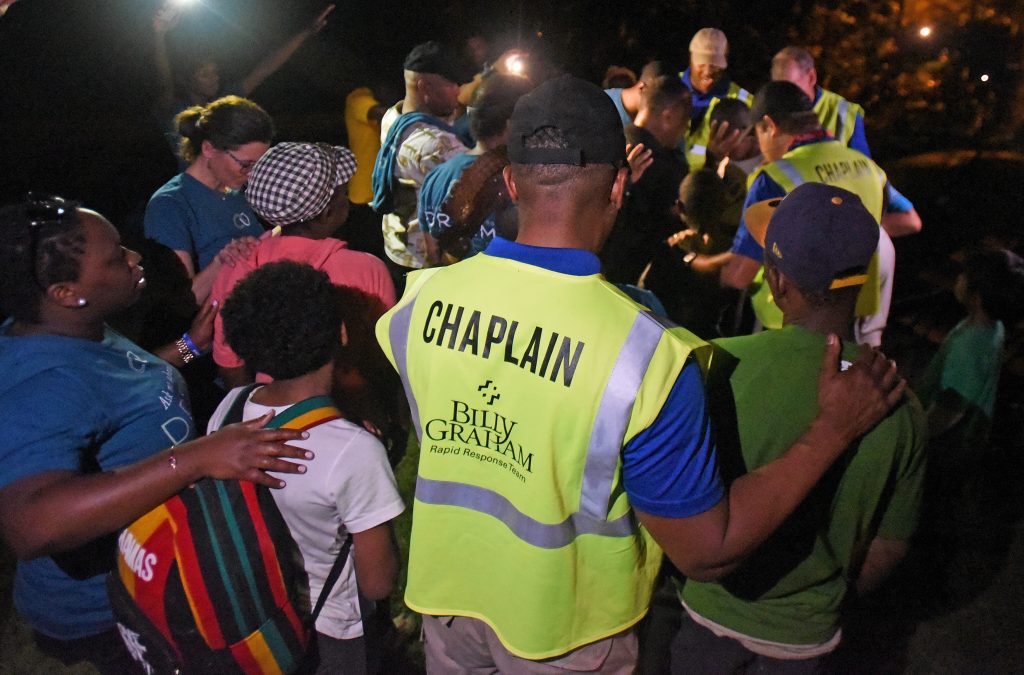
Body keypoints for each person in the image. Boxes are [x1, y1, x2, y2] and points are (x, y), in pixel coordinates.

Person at [375, 75, 906, 673]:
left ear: (508, 180)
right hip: (568, 632)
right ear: (621, 185)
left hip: (448, 609)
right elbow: (709, 551)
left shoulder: (415, 304)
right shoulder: (648, 356)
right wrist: (830, 431)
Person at [0, 196, 309, 673]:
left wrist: (189, 348)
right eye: (115, 257)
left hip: (159, 572)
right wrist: (194, 460)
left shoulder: (75, 331)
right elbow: (32, 524)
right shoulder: (44, 383)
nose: (134, 259)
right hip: (114, 612)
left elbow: (117, 392)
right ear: (66, 292)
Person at [673, 183, 927, 673]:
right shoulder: (899, 403)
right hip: (807, 638)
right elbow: (887, 549)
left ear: (778, 281)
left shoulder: (717, 365)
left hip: (709, 620)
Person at [215, 261, 404, 675]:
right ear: (341, 333)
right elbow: (378, 582)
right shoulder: (354, 451)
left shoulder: (229, 411)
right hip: (335, 629)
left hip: (259, 609)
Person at [721, 81, 895, 347]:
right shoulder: (869, 167)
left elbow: (738, 276)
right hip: (853, 318)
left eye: (758, 133)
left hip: (791, 326)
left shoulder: (774, 177)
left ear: (769, 125)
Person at [771, 46, 923, 239]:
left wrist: (850, 229)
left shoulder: (844, 112)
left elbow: (863, 168)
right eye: (780, 89)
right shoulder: (773, 107)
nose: (786, 98)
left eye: (791, 87)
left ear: (811, 77)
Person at [144, 95, 274, 305]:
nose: (252, 174)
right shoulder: (169, 205)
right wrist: (222, 261)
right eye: (245, 164)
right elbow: (181, 302)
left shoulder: (236, 192)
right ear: (208, 149)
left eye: (259, 165)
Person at [152, 3, 334, 150]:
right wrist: (159, 34)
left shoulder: (223, 102)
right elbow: (163, 80)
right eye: (204, 74)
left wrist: (305, 33)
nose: (214, 77)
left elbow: (265, 68)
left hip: (231, 187)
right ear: (186, 80)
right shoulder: (174, 110)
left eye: (214, 71)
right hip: (193, 190)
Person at [371, 41, 474, 291]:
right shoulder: (438, 145)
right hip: (426, 262)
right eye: (451, 84)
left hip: (396, 248)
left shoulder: (393, 118)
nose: (458, 91)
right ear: (424, 86)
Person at [419, 73, 534, 259]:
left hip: (452, 285)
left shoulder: (435, 178)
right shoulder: (520, 183)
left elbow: (432, 252)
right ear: (510, 124)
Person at [602, 75, 691, 285]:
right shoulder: (660, 165)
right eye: (684, 122)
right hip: (623, 277)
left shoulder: (612, 140)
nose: (684, 131)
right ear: (668, 116)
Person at [680, 28, 753, 172]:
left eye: (715, 64)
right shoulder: (668, 88)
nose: (708, 72)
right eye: (701, 63)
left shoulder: (743, 102)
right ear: (690, 58)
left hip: (710, 185)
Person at [344, 84, 388, 258]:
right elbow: (380, 114)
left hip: (379, 191)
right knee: (369, 253)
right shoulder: (358, 97)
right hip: (365, 195)